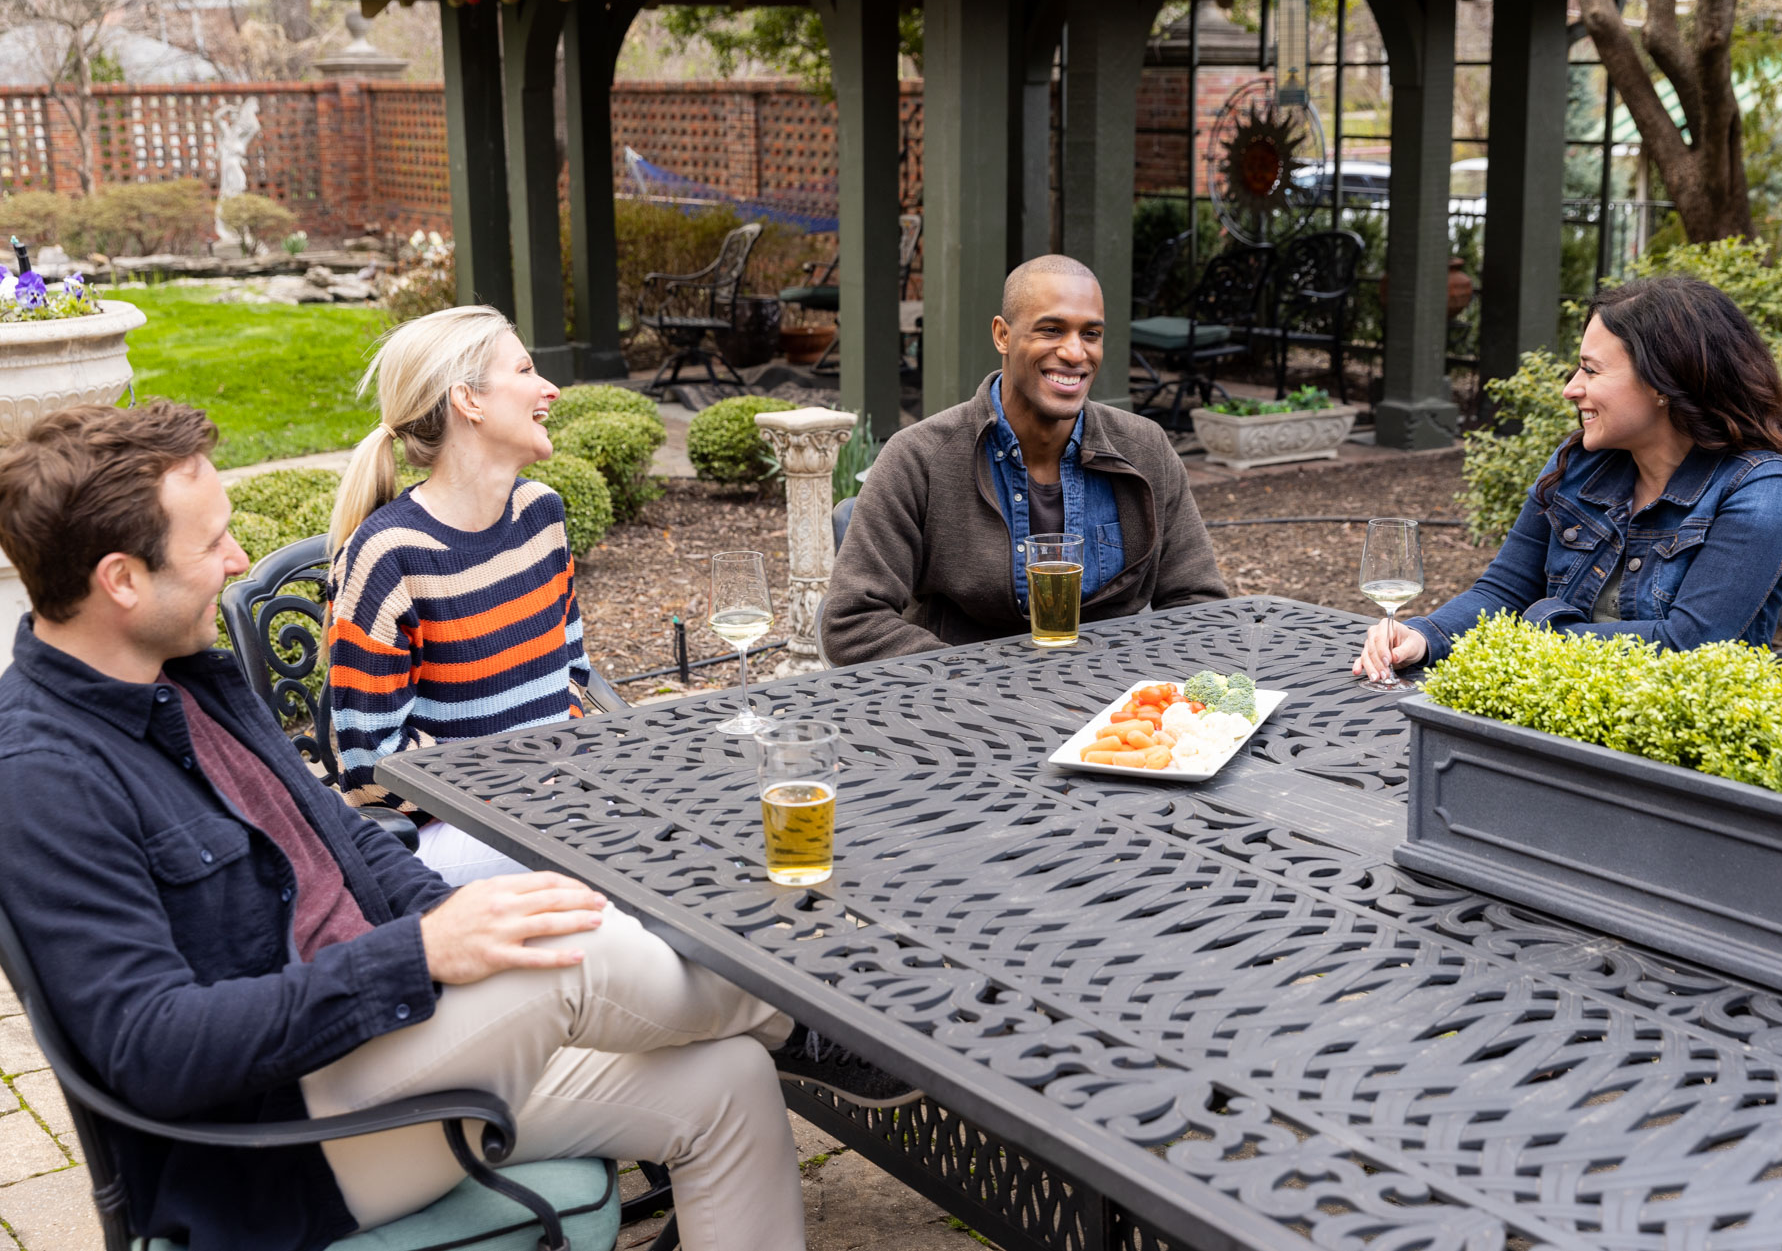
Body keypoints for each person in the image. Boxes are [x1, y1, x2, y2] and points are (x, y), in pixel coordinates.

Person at [0, 400, 915, 1251]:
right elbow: (151, 1047)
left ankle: (810, 1023)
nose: (240, 560)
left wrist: (448, 920)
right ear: (120, 579)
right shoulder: (44, 776)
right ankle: (839, 1018)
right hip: (282, 1142)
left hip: (391, 1050)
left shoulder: (189, 676)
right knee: (565, 953)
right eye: (213, 543)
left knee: (725, 1084)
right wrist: (420, 953)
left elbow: (344, 836)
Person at [1354, 276, 1782, 682]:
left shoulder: (1758, 488)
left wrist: (1535, 628)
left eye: (1591, 370)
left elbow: (1688, 648)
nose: (1570, 388)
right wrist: (1423, 636)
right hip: (1557, 710)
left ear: (1662, 383)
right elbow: (1503, 592)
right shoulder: (1580, 463)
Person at [823, 254, 1226, 664]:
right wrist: (983, 683)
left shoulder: (1145, 449)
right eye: (1051, 330)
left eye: (1091, 334)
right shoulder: (920, 458)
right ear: (1003, 335)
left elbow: (1199, 604)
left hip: (1115, 706)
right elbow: (852, 622)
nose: (1074, 352)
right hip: (964, 706)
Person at [326, 305, 580, 885]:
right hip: (441, 836)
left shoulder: (540, 513)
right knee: (614, 859)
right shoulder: (389, 555)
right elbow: (370, 768)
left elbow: (572, 671)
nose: (550, 389)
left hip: (556, 798)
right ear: (469, 401)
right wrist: (520, 780)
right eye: (524, 371)